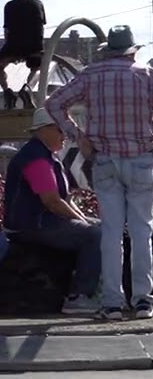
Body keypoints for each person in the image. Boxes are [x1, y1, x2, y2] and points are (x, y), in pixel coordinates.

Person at [45, 26, 153, 321]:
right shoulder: (146, 74)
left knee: (111, 234)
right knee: (141, 233)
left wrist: (78, 135)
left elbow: (54, 103)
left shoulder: (90, 75)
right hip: (141, 159)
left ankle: (112, 302)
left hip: (104, 160)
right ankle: (143, 301)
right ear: (132, 51)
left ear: (108, 51)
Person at [2, 108, 103, 315]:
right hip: (31, 225)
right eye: (60, 130)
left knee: (102, 227)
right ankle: (79, 297)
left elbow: (65, 199)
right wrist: (84, 223)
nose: (65, 135)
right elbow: (52, 202)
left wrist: (84, 219)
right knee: (94, 235)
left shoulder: (48, 156)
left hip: (45, 221)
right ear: (43, 130)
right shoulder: (35, 158)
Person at [1, 0, 45, 109]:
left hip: (13, 44)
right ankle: (27, 88)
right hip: (33, 45)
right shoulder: (37, 4)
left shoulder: (9, 6)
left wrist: (10, 50)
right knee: (38, 68)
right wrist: (39, 50)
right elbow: (40, 27)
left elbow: (7, 30)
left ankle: (7, 91)